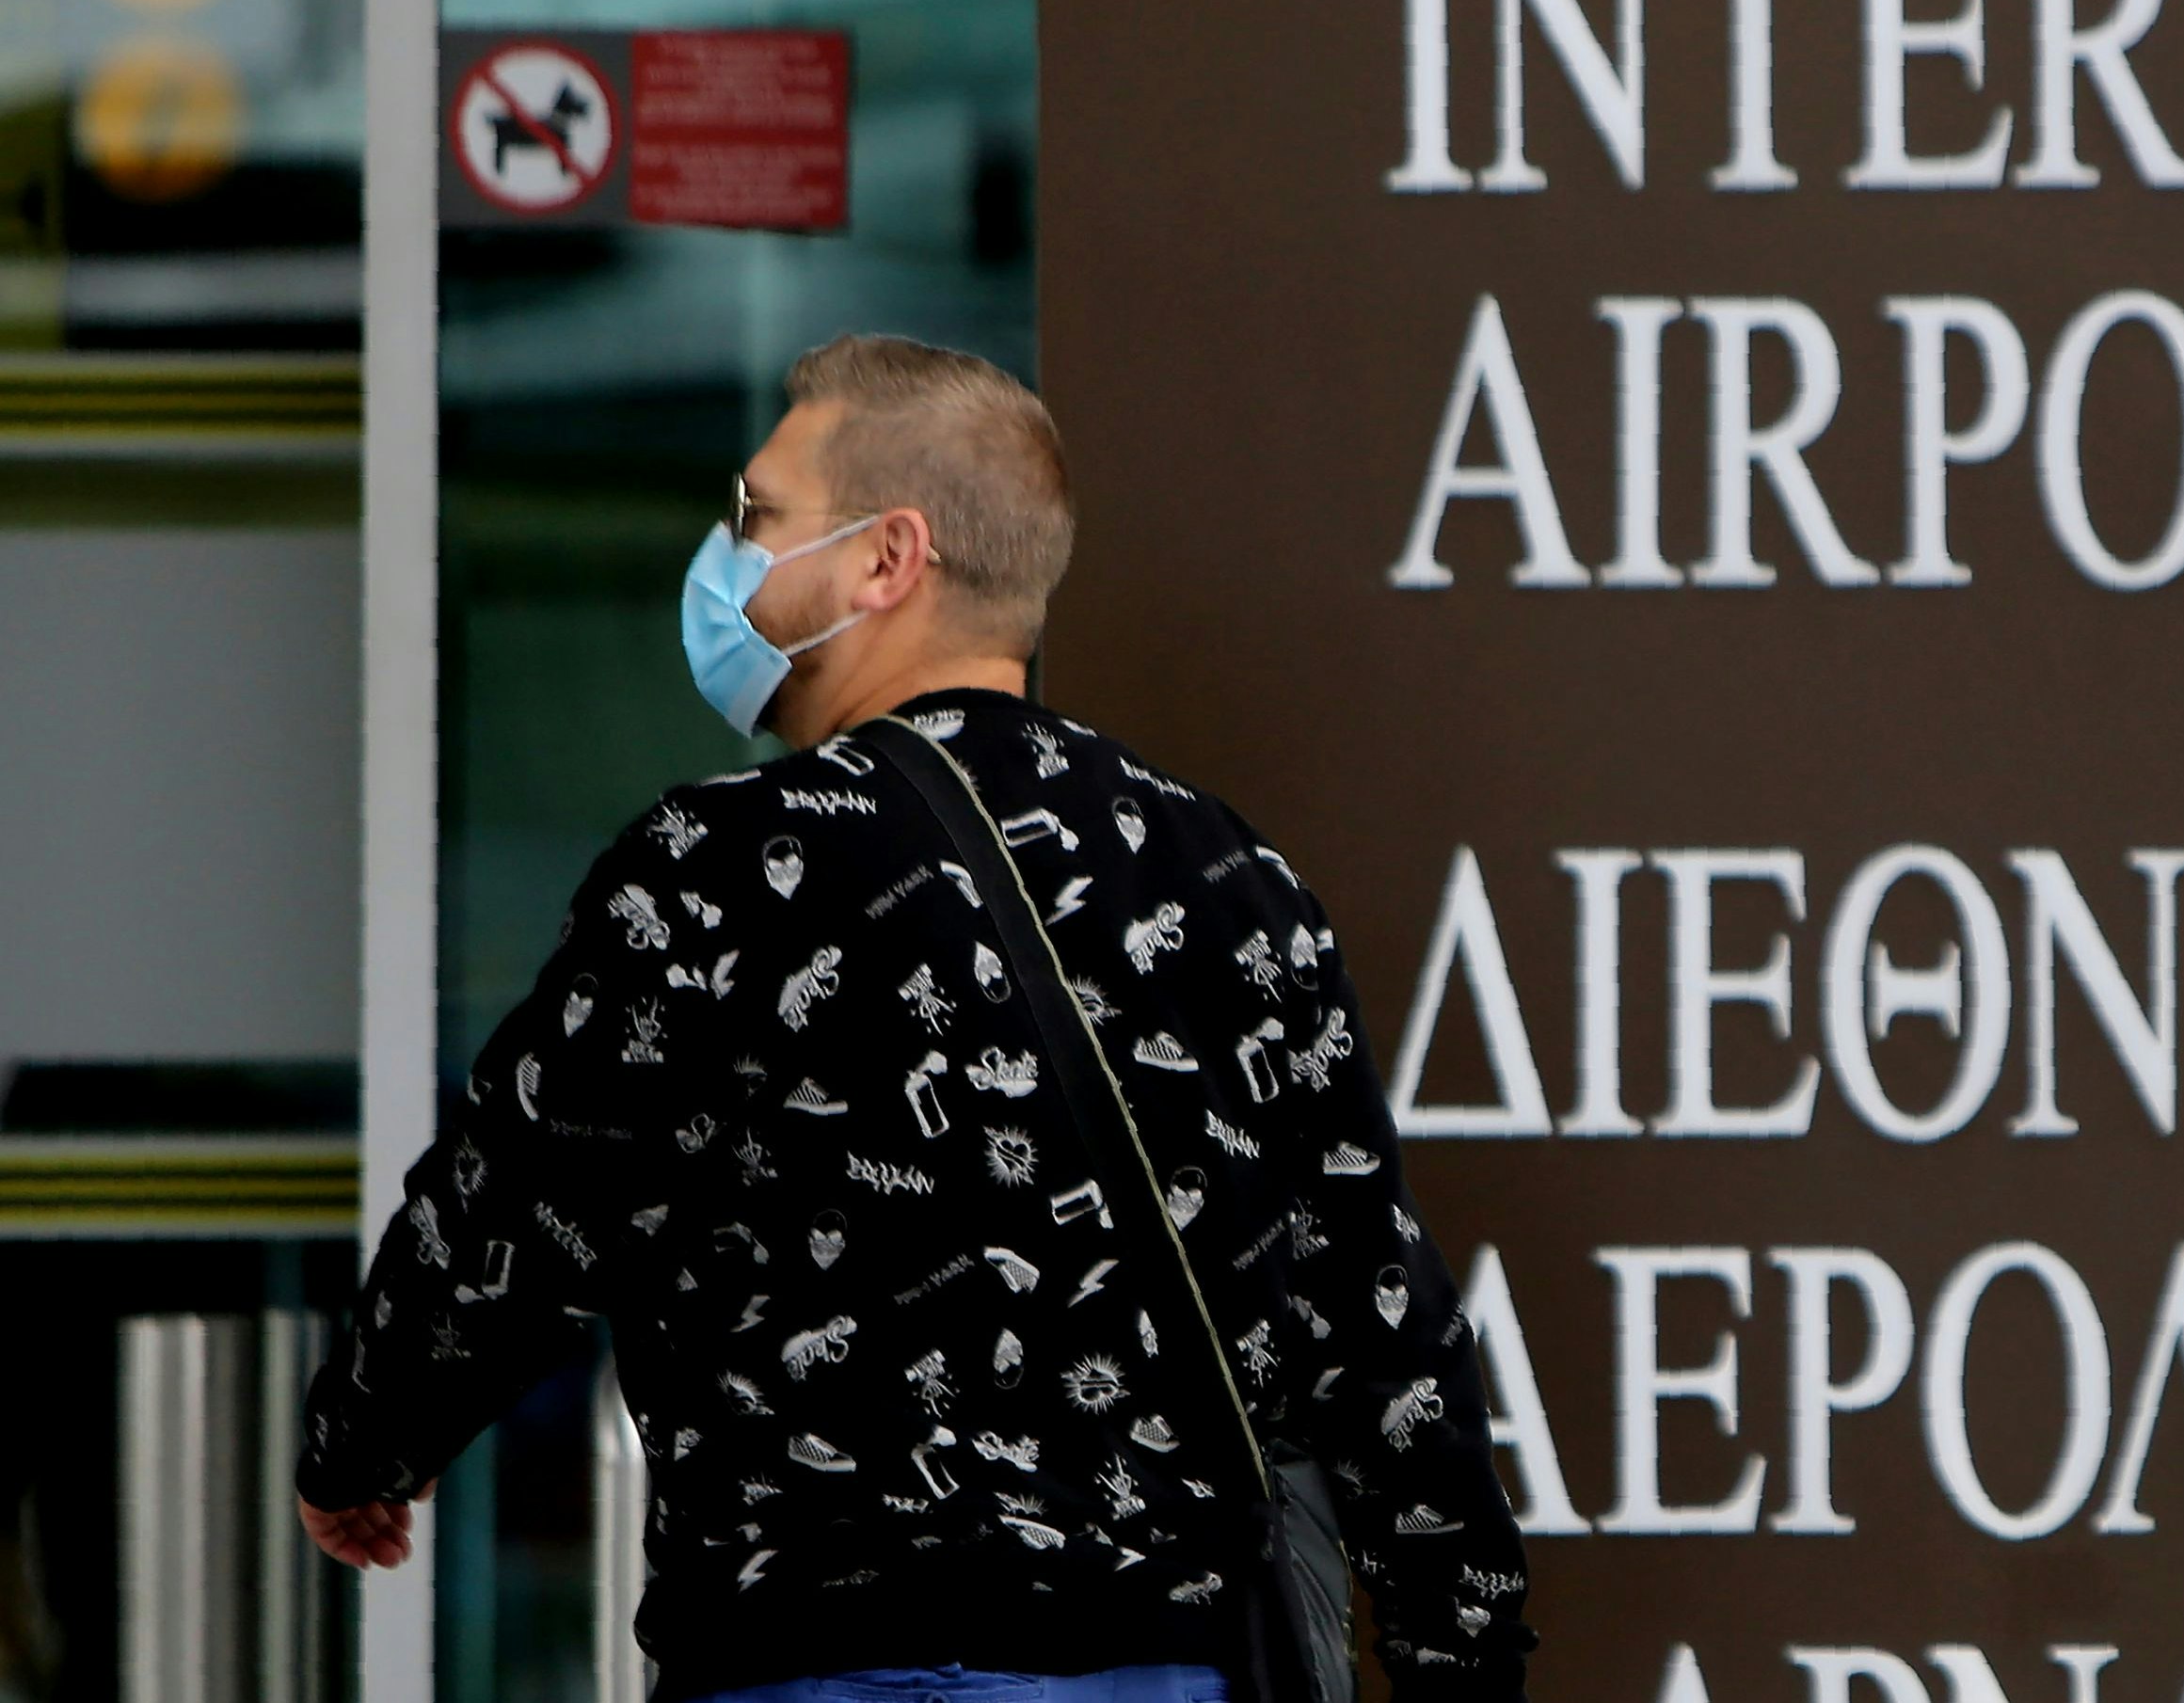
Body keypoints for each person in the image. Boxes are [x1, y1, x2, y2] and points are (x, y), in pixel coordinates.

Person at [294, 335, 1531, 1703]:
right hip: (1158, 1673)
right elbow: (1378, 1323)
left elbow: (515, 1202)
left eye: (760, 518)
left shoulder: (722, 871)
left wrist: (363, 1443)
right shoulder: (1232, 883)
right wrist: (1456, 1652)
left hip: (820, 1667)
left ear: (890, 557)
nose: (729, 560)